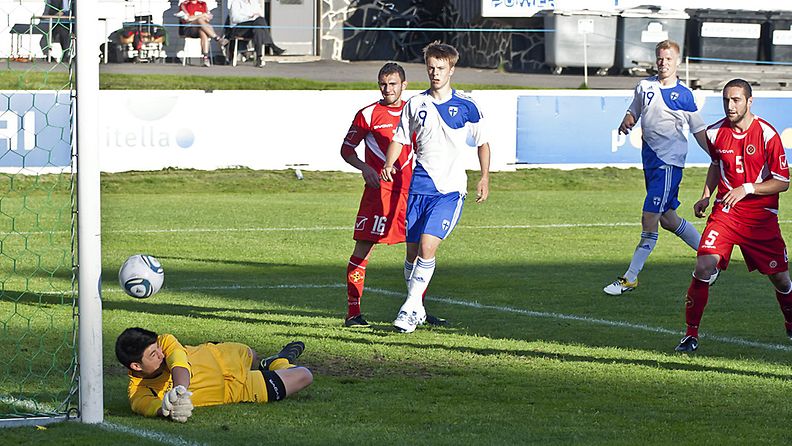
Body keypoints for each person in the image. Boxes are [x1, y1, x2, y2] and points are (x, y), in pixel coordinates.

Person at [674, 79, 792, 352]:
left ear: (750, 102)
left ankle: (789, 321)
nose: (730, 105)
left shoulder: (767, 134)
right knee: (704, 266)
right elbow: (716, 164)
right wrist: (706, 194)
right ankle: (691, 334)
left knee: (781, 279)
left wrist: (747, 188)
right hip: (726, 213)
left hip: (761, 218)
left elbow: (782, 182)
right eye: (726, 100)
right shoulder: (715, 134)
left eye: (736, 100)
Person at [381, 41, 490, 334]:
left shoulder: (467, 105)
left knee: (428, 247)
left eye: (441, 68)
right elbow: (401, 138)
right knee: (412, 254)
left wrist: (484, 177)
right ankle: (417, 307)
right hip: (419, 188)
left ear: (451, 69)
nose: (435, 73)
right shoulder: (416, 104)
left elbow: (483, 142)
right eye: (431, 68)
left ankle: (408, 309)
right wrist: (389, 163)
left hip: (450, 190)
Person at [603, 39, 715, 296]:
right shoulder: (645, 86)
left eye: (668, 59)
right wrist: (627, 121)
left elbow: (698, 130)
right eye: (660, 58)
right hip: (651, 162)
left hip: (669, 164)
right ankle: (712, 257)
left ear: (677, 62)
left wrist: (716, 156)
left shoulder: (684, 95)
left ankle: (630, 277)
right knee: (668, 219)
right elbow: (634, 110)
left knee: (649, 218)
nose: (664, 63)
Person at [341, 62, 446, 328]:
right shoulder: (367, 114)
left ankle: (416, 309)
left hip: (413, 192)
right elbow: (346, 149)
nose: (387, 89)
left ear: (404, 85)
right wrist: (365, 168)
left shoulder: (418, 110)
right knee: (363, 249)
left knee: (418, 251)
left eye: (393, 84)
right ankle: (353, 313)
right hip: (379, 193)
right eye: (383, 84)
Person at [115, 327, 312, 421]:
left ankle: (265, 363)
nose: (161, 354)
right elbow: (150, 407)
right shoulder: (138, 393)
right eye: (153, 354)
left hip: (223, 356)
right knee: (304, 375)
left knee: (252, 355)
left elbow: (179, 364)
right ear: (136, 366)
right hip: (236, 390)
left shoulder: (165, 341)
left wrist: (180, 390)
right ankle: (278, 362)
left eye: (157, 348)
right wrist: (169, 410)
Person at [227, 0, 285, 68]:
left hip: (253, 28)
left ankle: (259, 57)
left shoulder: (254, 2)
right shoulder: (236, 2)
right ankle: (271, 45)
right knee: (259, 22)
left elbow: (260, 15)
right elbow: (235, 18)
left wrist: (255, 18)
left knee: (258, 29)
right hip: (240, 28)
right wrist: (250, 17)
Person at [177, 0, 229, 67]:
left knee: (203, 31)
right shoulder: (184, 4)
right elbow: (188, 19)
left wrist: (204, 16)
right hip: (189, 29)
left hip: (202, 28)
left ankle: (206, 58)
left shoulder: (203, 4)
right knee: (200, 20)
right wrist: (201, 16)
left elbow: (207, 18)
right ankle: (218, 38)